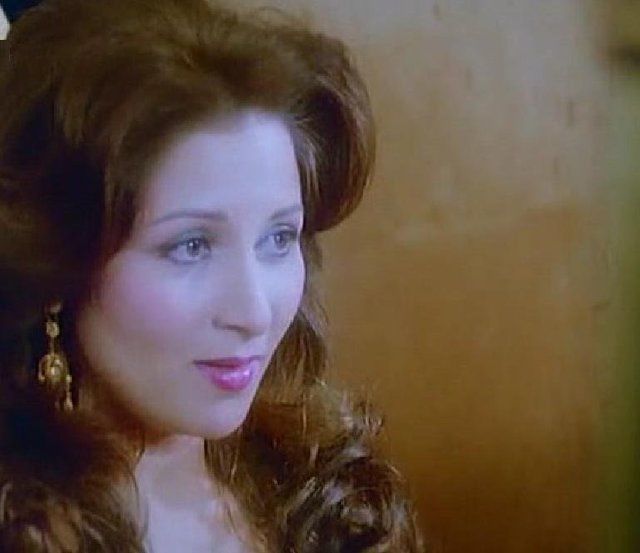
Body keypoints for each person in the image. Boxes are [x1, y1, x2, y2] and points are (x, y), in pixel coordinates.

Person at [0, 0, 423, 551]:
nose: (255, 312)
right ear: (52, 263)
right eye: (191, 246)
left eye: (278, 238)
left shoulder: (324, 491)